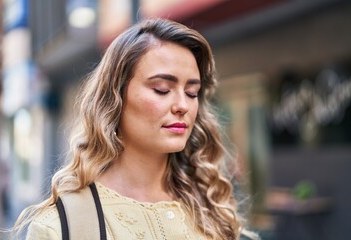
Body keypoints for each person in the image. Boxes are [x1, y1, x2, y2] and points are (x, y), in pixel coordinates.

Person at [14, 18, 257, 240]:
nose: (183, 105)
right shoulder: (59, 227)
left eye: (191, 92)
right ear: (116, 97)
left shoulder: (212, 208)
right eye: (162, 89)